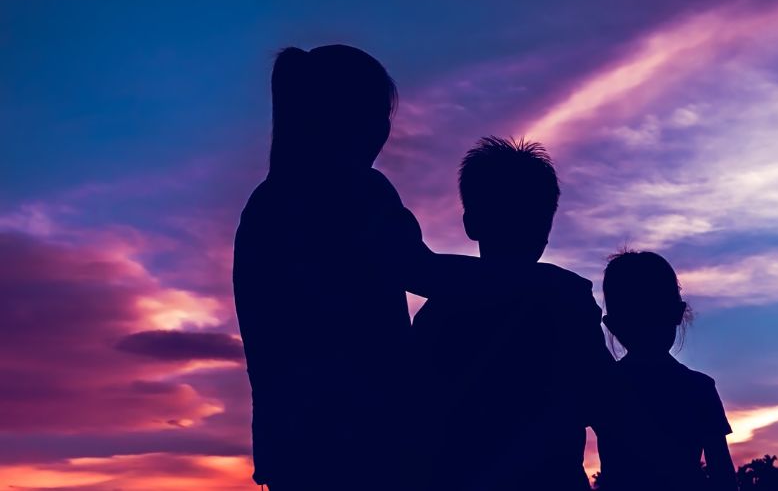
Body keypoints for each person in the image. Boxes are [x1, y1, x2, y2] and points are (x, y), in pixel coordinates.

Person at [233, 45, 477, 489]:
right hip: (365, 438)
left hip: (293, 444)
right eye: (380, 113)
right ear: (346, 115)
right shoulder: (359, 192)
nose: (384, 129)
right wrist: (516, 280)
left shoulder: (265, 205)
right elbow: (421, 272)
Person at [410, 137, 607, 490]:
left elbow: (414, 410)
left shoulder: (438, 310)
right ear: (545, 230)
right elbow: (603, 400)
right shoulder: (569, 299)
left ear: (471, 223)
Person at [596, 251, 737, 491]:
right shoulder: (699, 388)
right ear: (677, 313)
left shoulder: (604, 387)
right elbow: (723, 477)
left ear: (613, 326)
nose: (647, 326)